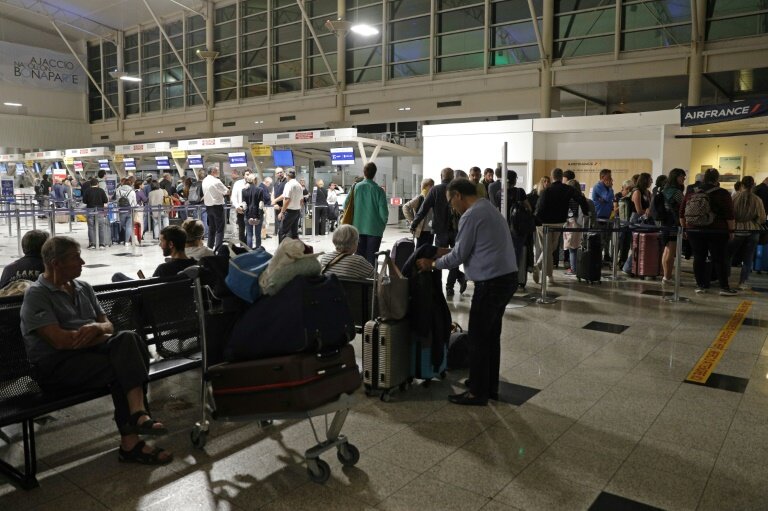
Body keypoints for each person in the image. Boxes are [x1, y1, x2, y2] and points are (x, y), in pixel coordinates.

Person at [20, 236, 172, 465]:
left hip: (89, 356)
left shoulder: (83, 287)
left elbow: (108, 324)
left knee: (128, 339)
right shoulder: (37, 295)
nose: (82, 262)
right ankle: (133, 432)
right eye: (75, 257)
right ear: (55, 263)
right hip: (56, 366)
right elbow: (61, 342)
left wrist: (96, 328)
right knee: (123, 365)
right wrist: (100, 335)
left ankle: (137, 416)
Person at [415, 179, 517, 406]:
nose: (452, 206)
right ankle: (489, 386)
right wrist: (443, 252)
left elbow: (459, 256)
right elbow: (470, 249)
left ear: (458, 195)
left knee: (479, 339)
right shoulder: (487, 207)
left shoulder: (471, 215)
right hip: (505, 279)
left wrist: (431, 264)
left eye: (451, 201)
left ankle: (477, 393)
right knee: (491, 337)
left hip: (490, 283)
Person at [680, 168, 737, 295]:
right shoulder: (723, 193)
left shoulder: (691, 192)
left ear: (704, 178)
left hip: (694, 230)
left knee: (699, 257)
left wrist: (685, 229)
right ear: (717, 179)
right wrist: (731, 231)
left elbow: (682, 213)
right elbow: (729, 215)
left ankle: (701, 286)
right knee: (719, 258)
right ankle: (724, 288)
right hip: (716, 230)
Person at [411, 167, 467, 296]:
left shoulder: (435, 190)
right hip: (456, 230)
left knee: (438, 255)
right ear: (452, 177)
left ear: (441, 177)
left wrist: (414, 223)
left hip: (440, 231)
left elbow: (423, 209)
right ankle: (450, 287)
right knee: (455, 256)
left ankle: (437, 286)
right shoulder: (457, 191)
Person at [533, 168, 588, 285]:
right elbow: (581, 199)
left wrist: (537, 222)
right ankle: (549, 276)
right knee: (549, 249)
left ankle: (537, 266)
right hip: (558, 223)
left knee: (548, 249)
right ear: (561, 176)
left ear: (552, 177)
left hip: (544, 224)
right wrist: (586, 212)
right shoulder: (568, 189)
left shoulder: (546, 191)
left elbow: (539, 209)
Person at [729, 176, 766, 290]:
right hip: (752, 230)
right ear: (753, 184)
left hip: (736, 229)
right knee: (748, 258)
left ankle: (725, 279)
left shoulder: (734, 198)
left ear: (742, 185)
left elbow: (730, 215)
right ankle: (742, 282)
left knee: (729, 255)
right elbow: (762, 218)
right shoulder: (757, 199)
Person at [350, 162, 389, 266]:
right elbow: (384, 213)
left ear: (364, 172)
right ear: (374, 174)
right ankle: (372, 281)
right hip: (375, 230)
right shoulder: (379, 191)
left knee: (358, 258)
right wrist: (382, 226)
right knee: (372, 258)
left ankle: (359, 280)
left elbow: (346, 206)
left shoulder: (355, 187)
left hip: (357, 229)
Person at [622, 172, 653, 275]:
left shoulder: (647, 192)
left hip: (645, 220)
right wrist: (647, 211)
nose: (651, 181)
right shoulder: (637, 192)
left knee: (643, 245)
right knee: (638, 244)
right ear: (645, 180)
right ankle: (627, 267)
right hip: (636, 220)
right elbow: (639, 210)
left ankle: (637, 268)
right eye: (650, 179)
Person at [660, 168, 686, 284]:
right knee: (671, 251)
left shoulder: (665, 189)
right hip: (673, 223)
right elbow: (684, 206)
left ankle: (666, 276)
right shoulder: (676, 192)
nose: (684, 178)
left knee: (666, 250)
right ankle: (668, 277)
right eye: (682, 176)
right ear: (676, 177)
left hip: (665, 222)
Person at [202, 166, 229, 251]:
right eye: (217, 170)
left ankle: (209, 247)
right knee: (220, 229)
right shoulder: (216, 181)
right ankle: (218, 249)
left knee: (211, 228)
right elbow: (226, 191)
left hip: (208, 207)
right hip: (217, 206)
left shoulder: (204, 180)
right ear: (213, 171)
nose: (218, 172)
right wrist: (228, 190)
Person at [403, 178, 435, 249]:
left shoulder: (432, 199)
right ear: (425, 186)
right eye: (431, 185)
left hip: (431, 230)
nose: (433, 187)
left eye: (433, 185)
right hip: (421, 231)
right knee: (420, 251)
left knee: (429, 251)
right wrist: (411, 220)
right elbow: (405, 207)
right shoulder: (420, 198)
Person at [591, 168, 614, 262]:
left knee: (607, 239)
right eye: (609, 177)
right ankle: (598, 259)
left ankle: (606, 256)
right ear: (602, 177)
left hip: (607, 217)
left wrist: (606, 198)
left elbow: (609, 199)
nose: (611, 179)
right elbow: (608, 197)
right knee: (600, 239)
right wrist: (610, 190)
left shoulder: (607, 188)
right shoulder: (598, 186)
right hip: (599, 217)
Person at [277, 169, 304, 242]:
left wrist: (282, 212)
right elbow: (301, 200)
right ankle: (295, 250)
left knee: (282, 232)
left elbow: (287, 199)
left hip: (289, 212)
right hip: (297, 212)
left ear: (287, 175)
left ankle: (282, 251)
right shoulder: (299, 185)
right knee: (294, 233)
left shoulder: (288, 184)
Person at [82, 177, 109, 249]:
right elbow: (106, 200)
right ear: (97, 184)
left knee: (90, 227)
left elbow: (84, 201)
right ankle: (101, 244)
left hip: (90, 209)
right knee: (101, 227)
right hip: (99, 210)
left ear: (90, 184)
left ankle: (92, 244)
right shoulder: (101, 190)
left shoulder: (87, 191)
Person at [243, 174, 267, 249]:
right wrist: (259, 215)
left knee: (249, 235)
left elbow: (244, 204)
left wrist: (247, 214)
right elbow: (261, 204)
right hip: (258, 214)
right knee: (258, 235)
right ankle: (258, 250)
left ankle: (249, 251)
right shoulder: (260, 190)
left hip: (248, 215)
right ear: (254, 180)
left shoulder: (244, 190)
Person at [115, 178, 137, 247]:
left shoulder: (118, 191)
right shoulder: (132, 192)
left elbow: (117, 201)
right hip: (130, 210)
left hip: (121, 210)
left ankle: (123, 239)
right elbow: (134, 202)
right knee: (129, 226)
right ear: (130, 184)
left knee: (123, 225)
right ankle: (127, 241)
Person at [230, 170, 249, 245]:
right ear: (243, 175)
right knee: (241, 229)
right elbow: (233, 197)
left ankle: (248, 246)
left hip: (250, 209)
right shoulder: (238, 183)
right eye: (247, 174)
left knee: (249, 230)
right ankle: (242, 246)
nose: (248, 176)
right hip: (240, 208)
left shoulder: (253, 183)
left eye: (250, 174)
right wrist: (237, 206)